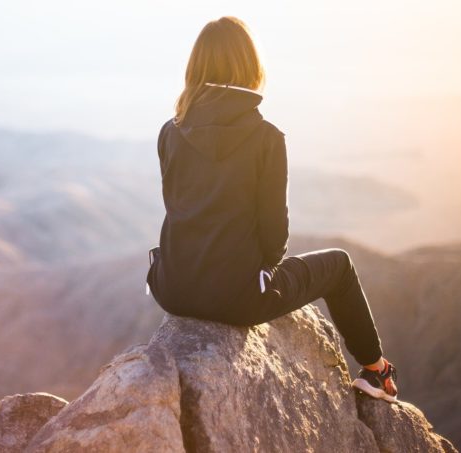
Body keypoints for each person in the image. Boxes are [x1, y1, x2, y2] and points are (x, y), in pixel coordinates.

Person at [145, 16, 398, 403]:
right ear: (250, 66)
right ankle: (376, 371)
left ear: (195, 67)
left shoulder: (170, 130)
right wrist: (257, 273)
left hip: (171, 287)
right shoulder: (266, 138)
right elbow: (275, 238)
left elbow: (177, 207)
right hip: (238, 298)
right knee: (341, 266)